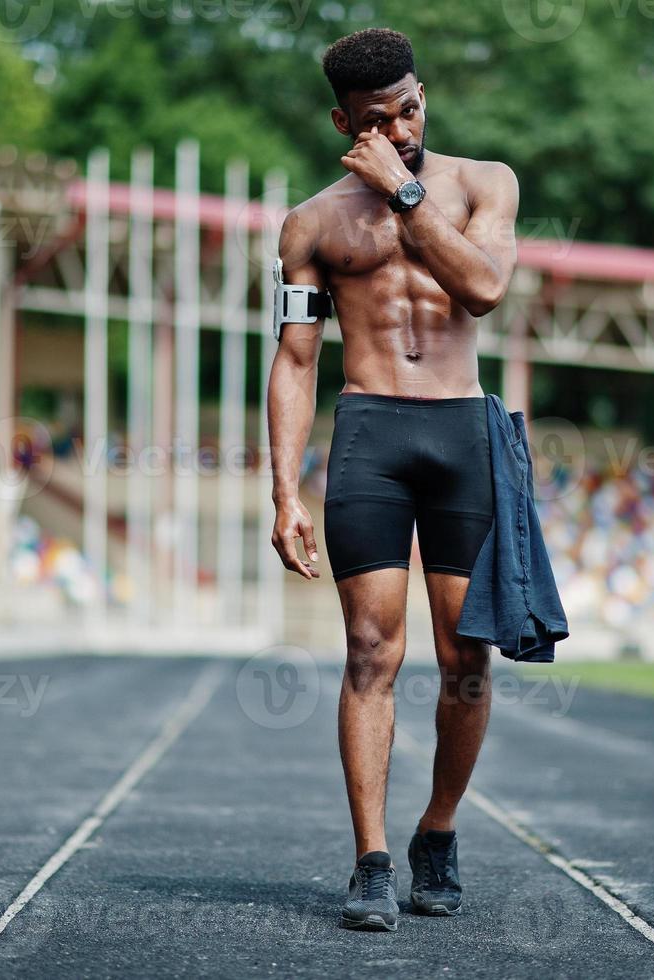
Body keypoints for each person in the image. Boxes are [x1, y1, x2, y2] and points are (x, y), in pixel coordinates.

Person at [265, 27, 520, 933]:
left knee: (466, 655)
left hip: (461, 428)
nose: (404, 125)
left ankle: (437, 833)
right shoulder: (312, 223)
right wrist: (283, 488)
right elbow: (295, 360)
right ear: (344, 122)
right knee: (373, 651)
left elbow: (485, 287)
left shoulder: (483, 183)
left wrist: (406, 192)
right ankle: (371, 861)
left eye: (411, 107)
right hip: (370, 429)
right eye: (381, 119)